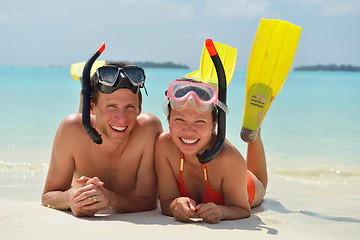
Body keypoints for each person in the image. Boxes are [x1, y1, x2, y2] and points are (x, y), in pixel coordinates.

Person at [42, 63, 162, 217]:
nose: (122, 118)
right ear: (91, 106)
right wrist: (69, 197)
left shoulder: (149, 129)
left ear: (140, 108)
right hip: (86, 123)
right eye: (111, 106)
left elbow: (149, 201)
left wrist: (111, 199)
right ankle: (84, 90)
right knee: (81, 123)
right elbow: (48, 196)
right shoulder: (70, 129)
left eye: (130, 107)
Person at [155, 78, 267, 224]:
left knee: (260, 185)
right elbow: (166, 202)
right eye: (180, 119)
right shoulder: (164, 146)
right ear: (168, 121)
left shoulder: (229, 159)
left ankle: (254, 135)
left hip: (244, 185)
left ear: (214, 125)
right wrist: (175, 205)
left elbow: (243, 210)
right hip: (221, 162)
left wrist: (222, 211)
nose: (188, 130)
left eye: (200, 121)